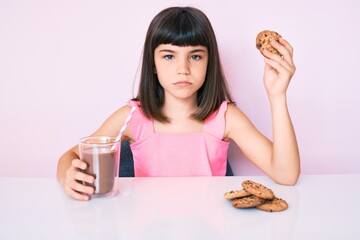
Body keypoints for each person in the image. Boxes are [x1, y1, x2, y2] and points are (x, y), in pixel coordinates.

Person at [57, 6, 300, 201]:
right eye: (169, 56)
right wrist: (69, 175)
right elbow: (67, 157)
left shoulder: (226, 117)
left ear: (209, 62)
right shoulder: (131, 118)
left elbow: (286, 175)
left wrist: (277, 96)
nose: (183, 69)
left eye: (195, 56)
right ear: (153, 63)